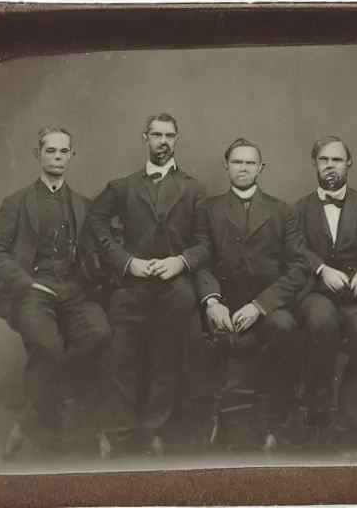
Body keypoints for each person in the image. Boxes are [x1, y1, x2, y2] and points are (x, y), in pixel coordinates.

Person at [0, 127, 113, 459]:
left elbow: (103, 244)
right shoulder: (18, 201)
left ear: (71, 156)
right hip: (34, 290)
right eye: (51, 151)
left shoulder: (82, 204)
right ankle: (32, 423)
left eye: (64, 152)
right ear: (38, 155)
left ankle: (40, 406)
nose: (58, 158)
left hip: (75, 291)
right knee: (48, 346)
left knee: (100, 333)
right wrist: (23, 282)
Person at [85, 113, 210, 457]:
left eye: (169, 135)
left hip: (175, 289)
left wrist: (180, 262)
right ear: (145, 138)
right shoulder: (122, 186)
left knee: (168, 358)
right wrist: (127, 261)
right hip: (132, 285)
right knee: (120, 356)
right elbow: (95, 222)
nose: (163, 141)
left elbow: (204, 243)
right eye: (156, 134)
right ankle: (121, 434)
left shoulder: (194, 189)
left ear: (176, 139)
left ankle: (156, 429)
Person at [195, 138, 310, 453]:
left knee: (286, 329)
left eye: (249, 163)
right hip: (225, 303)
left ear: (261, 167)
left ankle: (279, 423)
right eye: (236, 162)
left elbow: (299, 268)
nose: (242, 168)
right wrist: (212, 301)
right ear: (226, 166)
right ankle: (218, 428)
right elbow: (201, 261)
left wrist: (261, 305)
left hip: (269, 303)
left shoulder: (281, 210)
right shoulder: (209, 209)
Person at [294, 136, 357, 445]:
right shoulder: (300, 208)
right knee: (321, 324)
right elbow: (293, 247)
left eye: (336, 160)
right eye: (324, 160)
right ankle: (318, 412)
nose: (330, 166)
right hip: (317, 295)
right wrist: (321, 270)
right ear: (315, 164)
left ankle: (349, 416)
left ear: (348, 164)